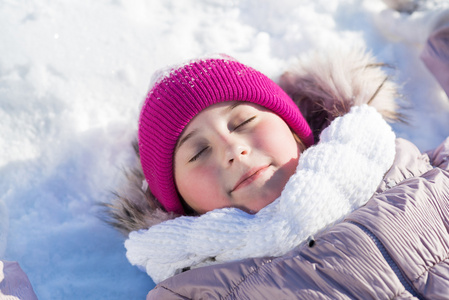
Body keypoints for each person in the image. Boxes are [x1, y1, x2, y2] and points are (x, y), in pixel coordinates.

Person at [104, 45, 449, 298]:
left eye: (245, 121)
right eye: (199, 152)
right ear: (180, 201)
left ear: (296, 132)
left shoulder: (414, 171)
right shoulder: (196, 291)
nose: (232, 149)